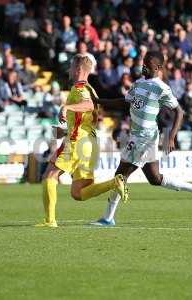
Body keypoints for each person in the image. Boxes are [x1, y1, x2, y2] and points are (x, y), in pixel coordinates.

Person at [91, 51, 192, 227]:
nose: (143, 66)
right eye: (143, 62)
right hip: (136, 135)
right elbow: (124, 103)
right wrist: (98, 101)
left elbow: (179, 112)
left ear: (157, 67)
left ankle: (108, 218)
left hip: (145, 138)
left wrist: (171, 138)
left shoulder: (161, 88)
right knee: (155, 179)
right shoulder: (138, 83)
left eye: (147, 64)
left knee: (120, 175)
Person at [35, 54, 128, 228]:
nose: (69, 70)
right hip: (90, 143)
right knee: (78, 192)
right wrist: (65, 126)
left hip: (77, 141)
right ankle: (115, 182)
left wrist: (66, 107)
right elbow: (87, 115)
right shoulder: (92, 89)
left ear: (78, 69)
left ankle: (50, 221)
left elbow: (89, 106)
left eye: (71, 66)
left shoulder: (79, 88)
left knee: (50, 175)